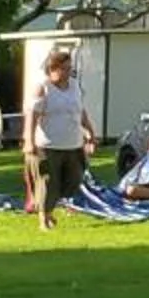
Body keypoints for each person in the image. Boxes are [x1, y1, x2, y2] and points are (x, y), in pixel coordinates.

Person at [26, 48, 96, 231]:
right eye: (63, 68)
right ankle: (44, 219)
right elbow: (32, 115)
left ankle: (50, 210)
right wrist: (29, 141)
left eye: (69, 68)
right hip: (48, 145)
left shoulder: (74, 86)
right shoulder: (43, 88)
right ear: (52, 69)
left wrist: (90, 132)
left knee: (74, 180)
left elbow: (80, 111)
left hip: (73, 144)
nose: (67, 72)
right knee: (48, 182)